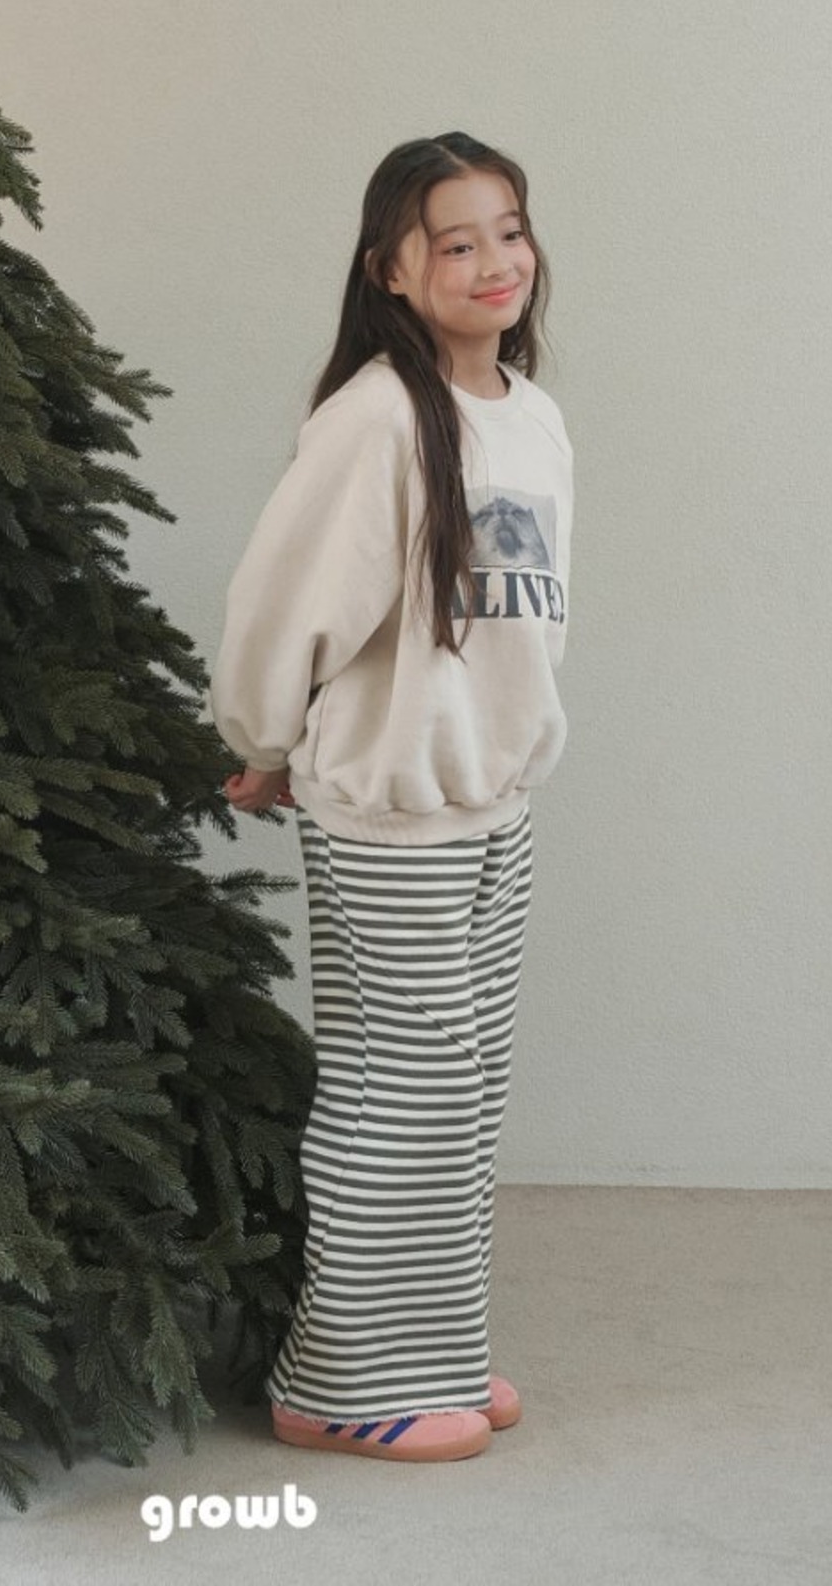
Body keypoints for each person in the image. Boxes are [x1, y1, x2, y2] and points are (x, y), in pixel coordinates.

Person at [209, 132, 574, 1463]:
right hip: (390, 810)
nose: (495, 261)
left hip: (494, 803)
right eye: (456, 241)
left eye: (510, 230)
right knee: (398, 1089)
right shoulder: (375, 417)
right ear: (392, 270)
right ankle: (341, 1377)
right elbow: (284, 600)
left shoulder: (531, 417)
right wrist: (263, 737)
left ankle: (438, 1352)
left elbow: (527, 628)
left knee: (463, 1088)